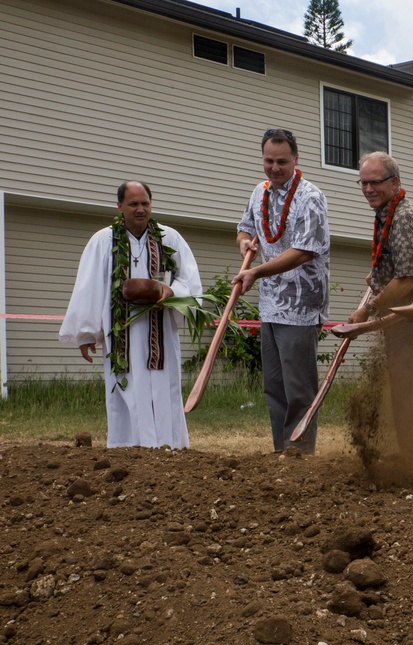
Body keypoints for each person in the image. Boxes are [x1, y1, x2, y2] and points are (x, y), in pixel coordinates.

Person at [59, 181, 202, 448]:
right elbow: (89, 287)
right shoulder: (103, 241)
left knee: (164, 389)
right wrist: (86, 333)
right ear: (120, 206)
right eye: (133, 204)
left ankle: (169, 446)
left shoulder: (169, 238)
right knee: (126, 388)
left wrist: (171, 292)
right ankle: (128, 449)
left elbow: (190, 281)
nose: (140, 209)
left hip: (160, 333)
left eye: (145, 203)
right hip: (121, 334)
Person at [235, 129, 330, 455]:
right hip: (270, 304)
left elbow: (304, 250)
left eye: (282, 161)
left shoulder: (310, 197)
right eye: (269, 161)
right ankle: (282, 451)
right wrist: (246, 243)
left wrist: (257, 271)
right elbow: (244, 228)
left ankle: (300, 453)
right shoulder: (258, 192)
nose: (274, 168)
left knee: (298, 387)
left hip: (302, 305)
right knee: (274, 384)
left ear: (296, 159)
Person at [347, 152, 413, 476]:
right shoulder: (385, 215)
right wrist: (369, 298)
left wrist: (369, 310)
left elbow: (407, 280)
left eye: (375, 182)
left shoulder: (403, 218)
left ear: (394, 182)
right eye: (364, 182)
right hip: (400, 310)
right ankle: (411, 457)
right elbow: (387, 275)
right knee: (402, 388)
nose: (368, 189)